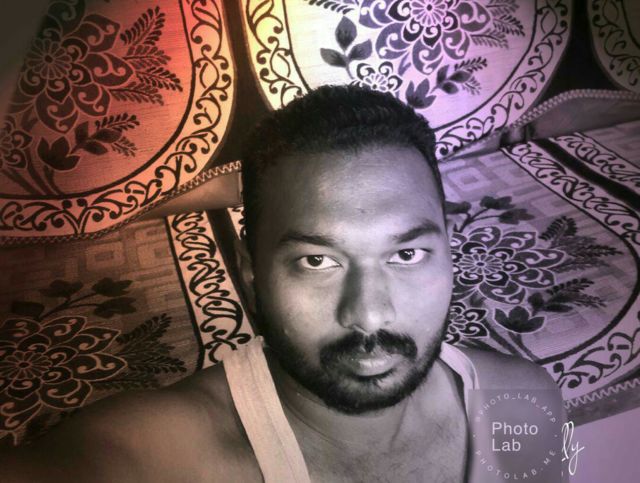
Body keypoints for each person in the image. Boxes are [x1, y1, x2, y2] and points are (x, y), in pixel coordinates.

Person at [0, 85, 564, 482]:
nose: (369, 315)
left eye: (407, 254)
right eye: (317, 261)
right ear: (249, 273)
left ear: (450, 253)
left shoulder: (524, 402)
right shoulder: (150, 458)